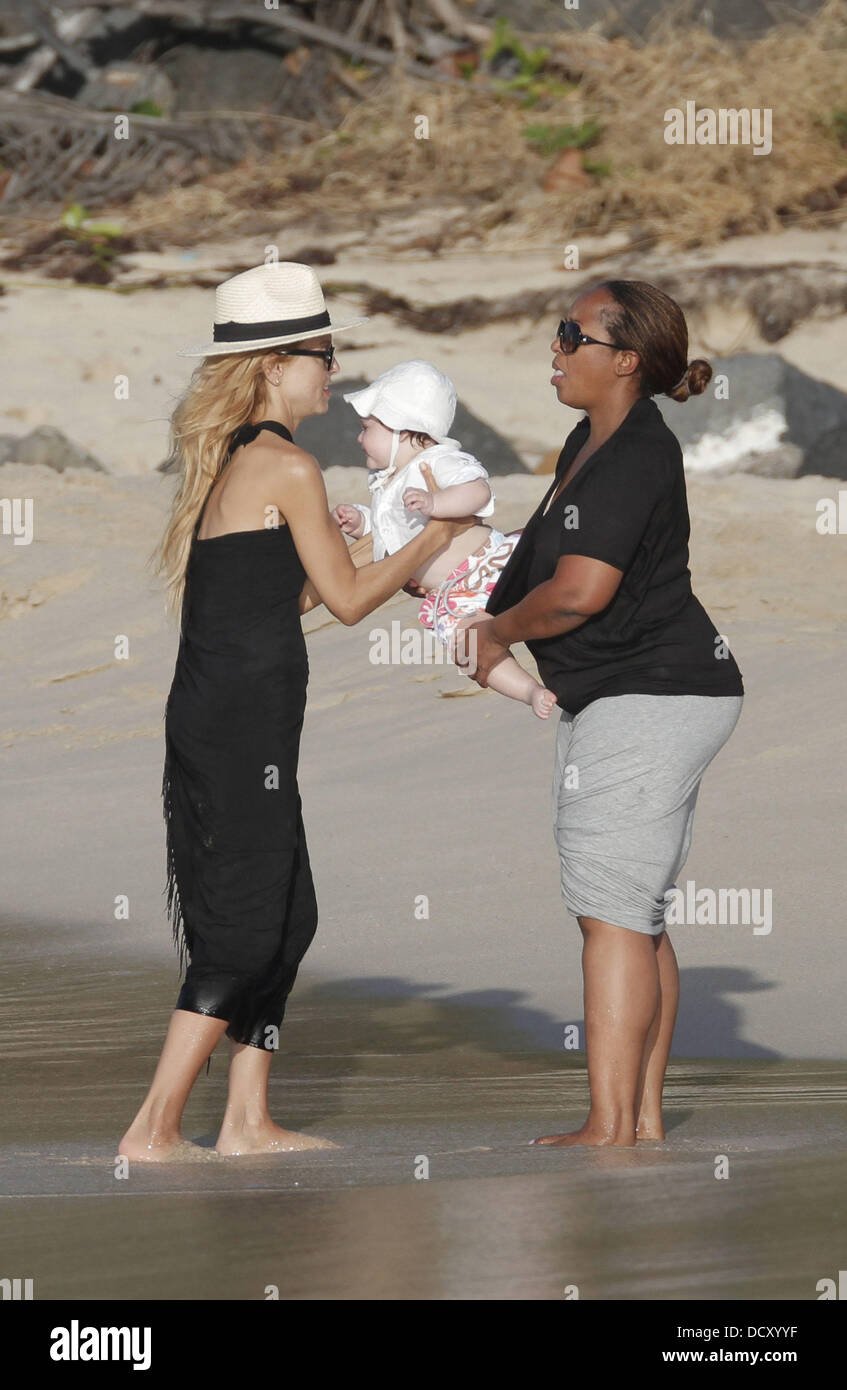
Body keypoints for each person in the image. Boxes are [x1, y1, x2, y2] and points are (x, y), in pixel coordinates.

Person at [118, 262, 469, 1161]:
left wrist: (340, 558)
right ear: (274, 365)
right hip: (237, 725)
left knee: (288, 913)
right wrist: (430, 538)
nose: (334, 373)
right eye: (322, 354)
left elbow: (289, 604)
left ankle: (246, 1121)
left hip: (237, 717)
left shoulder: (250, 461)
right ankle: (154, 1126)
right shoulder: (286, 463)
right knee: (241, 924)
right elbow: (353, 603)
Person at [452, 280, 745, 1147]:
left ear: (623, 361)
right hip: (646, 692)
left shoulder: (632, 455)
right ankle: (640, 1121)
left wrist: (497, 634)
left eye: (567, 335)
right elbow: (549, 559)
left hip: (650, 693)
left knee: (610, 909)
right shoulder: (592, 438)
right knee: (633, 907)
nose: (552, 349)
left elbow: (580, 591)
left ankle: (609, 1128)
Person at [332, 360, 557, 718]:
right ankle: (529, 690)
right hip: (451, 595)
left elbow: (478, 492)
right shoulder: (386, 483)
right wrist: (362, 523)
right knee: (470, 647)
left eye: (366, 428)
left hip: (489, 563)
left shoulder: (435, 461)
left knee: (551, 582)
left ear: (403, 430)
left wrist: (438, 503)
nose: (359, 438)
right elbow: (391, 536)